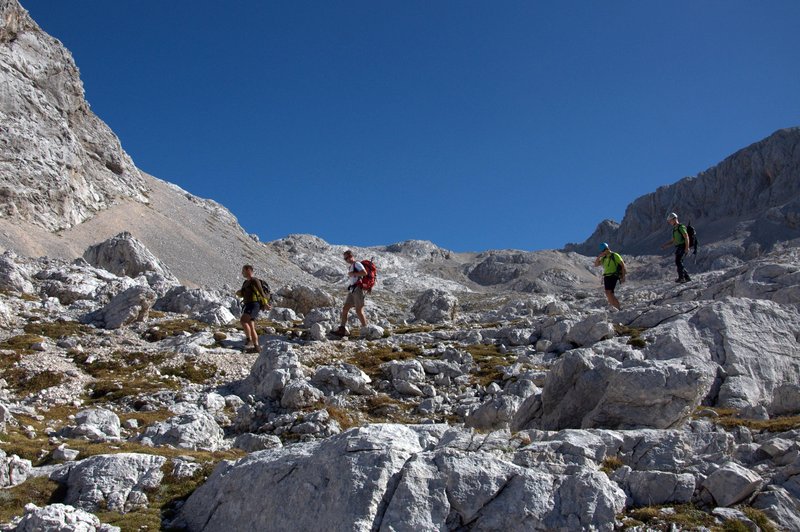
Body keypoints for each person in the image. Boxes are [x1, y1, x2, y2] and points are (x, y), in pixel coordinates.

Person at [332, 250, 368, 337]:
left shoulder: (357, 264)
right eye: (345, 259)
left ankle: (366, 331)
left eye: (347, 257)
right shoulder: (351, 266)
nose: (347, 260)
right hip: (352, 290)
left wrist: (353, 273)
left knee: (359, 310)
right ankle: (342, 329)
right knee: (345, 309)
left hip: (358, 289)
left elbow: (364, 273)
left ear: (351, 256)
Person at [235, 264, 271, 352]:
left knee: (243, 320)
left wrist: (265, 303)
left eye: (243, 270)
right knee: (251, 325)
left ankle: (249, 340)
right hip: (248, 304)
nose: (242, 273)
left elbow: (261, 292)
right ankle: (257, 347)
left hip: (254, 304)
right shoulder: (245, 282)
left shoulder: (255, 280)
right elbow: (245, 293)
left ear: (248, 270)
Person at [661, 212, 692, 283]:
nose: (669, 222)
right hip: (679, 247)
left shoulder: (681, 227)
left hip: (683, 246)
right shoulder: (674, 229)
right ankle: (687, 277)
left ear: (675, 219)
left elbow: (686, 236)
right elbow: (673, 241)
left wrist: (687, 247)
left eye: (670, 221)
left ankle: (682, 278)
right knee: (678, 262)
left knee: (678, 261)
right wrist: (665, 245)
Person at [594, 242, 626, 310]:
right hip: (607, 276)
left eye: (605, 249)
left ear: (608, 248)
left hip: (613, 275)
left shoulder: (615, 255)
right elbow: (596, 264)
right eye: (603, 250)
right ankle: (615, 308)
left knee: (609, 292)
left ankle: (618, 308)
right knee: (608, 293)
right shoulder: (604, 258)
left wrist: (623, 277)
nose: (605, 251)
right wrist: (600, 256)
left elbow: (623, 265)